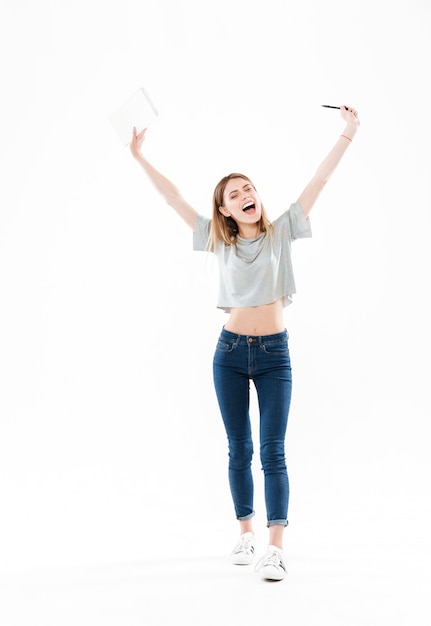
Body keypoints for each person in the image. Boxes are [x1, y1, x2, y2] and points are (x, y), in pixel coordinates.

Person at [129, 105, 360, 581]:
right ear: (225, 210)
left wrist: (347, 134)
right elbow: (173, 199)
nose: (245, 195)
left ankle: (275, 547)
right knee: (240, 449)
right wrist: (139, 155)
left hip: (276, 354)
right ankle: (245, 533)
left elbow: (318, 180)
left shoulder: (282, 233)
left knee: (273, 449)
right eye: (234, 194)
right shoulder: (220, 242)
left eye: (248, 188)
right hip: (229, 354)